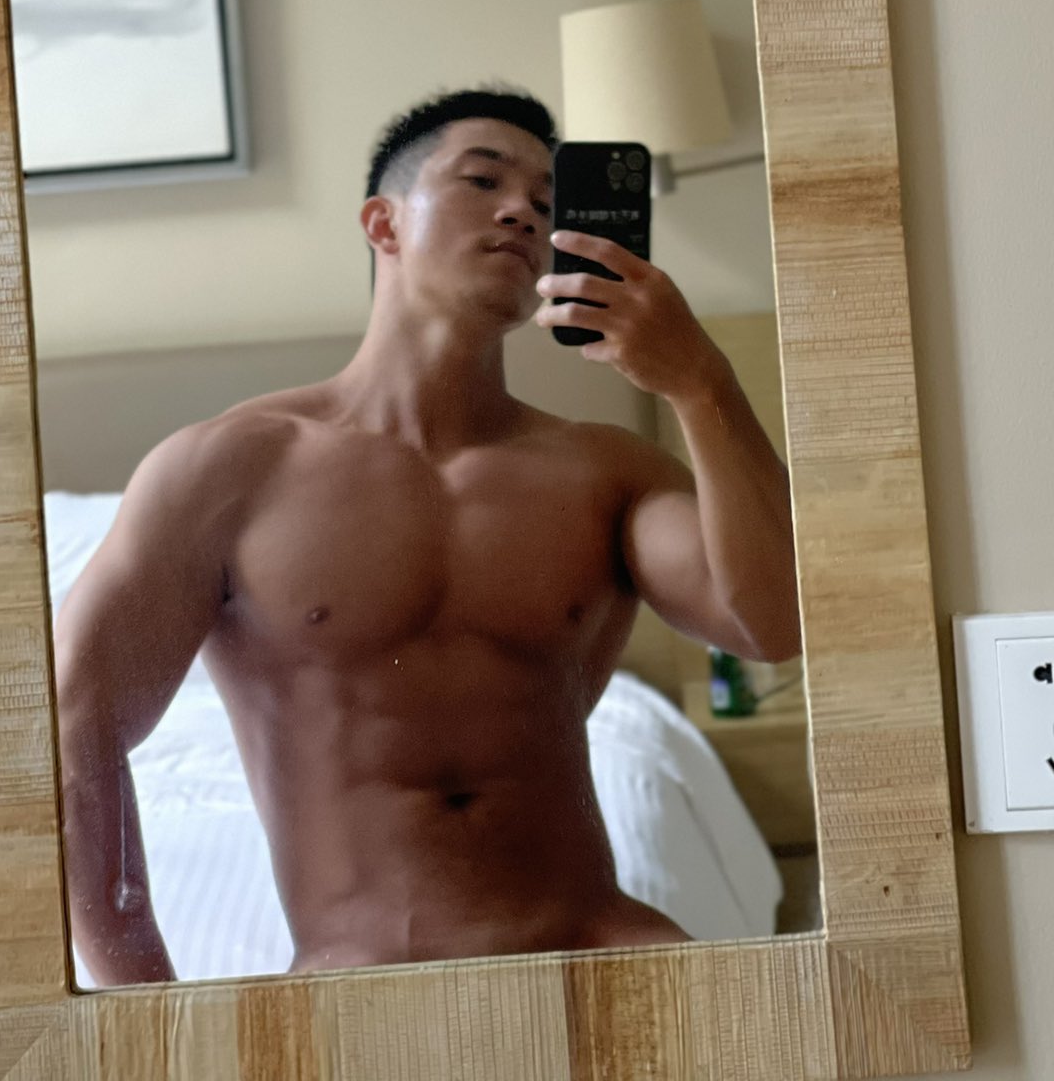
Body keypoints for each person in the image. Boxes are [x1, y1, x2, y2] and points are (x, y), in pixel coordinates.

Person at [54, 86, 800, 983]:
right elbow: (73, 724)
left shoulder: (609, 473)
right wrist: (146, 1004)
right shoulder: (226, 469)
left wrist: (700, 383)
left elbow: (775, 623)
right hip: (361, 981)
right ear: (384, 222)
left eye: (548, 203)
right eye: (483, 180)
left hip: (605, 949)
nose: (523, 210)